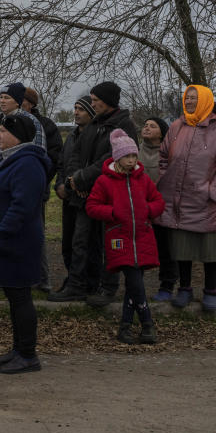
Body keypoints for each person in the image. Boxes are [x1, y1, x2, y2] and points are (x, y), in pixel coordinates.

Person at [0, 113, 50, 374]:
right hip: (8, 242)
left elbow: (22, 205)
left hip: (17, 243)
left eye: (2, 132)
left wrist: (1, 232)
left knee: (20, 298)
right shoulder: (14, 159)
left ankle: (28, 355)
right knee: (15, 298)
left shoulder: (28, 163)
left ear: (17, 135)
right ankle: (18, 350)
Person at [49, 81, 137, 306]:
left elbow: (110, 160)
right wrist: (73, 179)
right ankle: (77, 285)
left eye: (96, 100)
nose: (93, 103)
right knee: (80, 242)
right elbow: (76, 153)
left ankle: (108, 288)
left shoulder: (123, 126)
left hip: (110, 195)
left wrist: (80, 177)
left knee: (111, 243)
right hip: (84, 195)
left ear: (107, 101)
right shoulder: (94, 124)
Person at [156, 85, 216, 313]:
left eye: (194, 98)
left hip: (206, 199)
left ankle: (211, 290)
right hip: (178, 197)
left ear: (205, 100)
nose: (189, 102)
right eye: (186, 98)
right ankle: (184, 288)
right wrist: (166, 181)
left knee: (209, 246)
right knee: (182, 245)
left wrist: (213, 191)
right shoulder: (177, 125)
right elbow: (163, 156)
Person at [86, 129, 165, 344]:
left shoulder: (143, 180)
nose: (131, 161)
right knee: (134, 280)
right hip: (119, 238)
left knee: (134, 283)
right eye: (127, 156)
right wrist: (111, 213)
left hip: (142, 237)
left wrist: (148, 211)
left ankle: (125, 327)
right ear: (118, 157)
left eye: (133, 156)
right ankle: (147, 323)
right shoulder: (105, 181)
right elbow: (92, 206)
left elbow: (158, 201)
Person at [22, 87, 63, 292]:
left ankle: (42, 278)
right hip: (11, 187)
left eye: (21, 100)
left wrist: (40, 179)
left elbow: (54, 157)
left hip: (36, 188)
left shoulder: (46, 125)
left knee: (35, 232)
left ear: (30, 103)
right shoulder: (6, 123)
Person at [53, 96, 95, 292]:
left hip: (86, 198)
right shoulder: (70, 136)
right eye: (75, 108)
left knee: (82, 242)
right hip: (68, 197)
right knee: (67, 243)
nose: (76, 112)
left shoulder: (96, 135)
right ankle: (72, 278)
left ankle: (84, 282)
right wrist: (59, 185)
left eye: (81, 109)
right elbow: (62, 163)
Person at [139, 116, 175, 301]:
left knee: (165, 248)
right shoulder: (135, 152)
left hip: (163, 207)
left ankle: (167, 285)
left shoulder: (168, 153)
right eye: (145, 125)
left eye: (152, 126)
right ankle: (137, 286)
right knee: (140, 249)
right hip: (139, 208)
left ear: (162, 133)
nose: (147, 128)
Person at [0, 82, 46, 160]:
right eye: (1, 97)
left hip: (19, 169)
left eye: (6, 98)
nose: (2, 101)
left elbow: (39, 153)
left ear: (17, 102)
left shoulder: (31, 121)